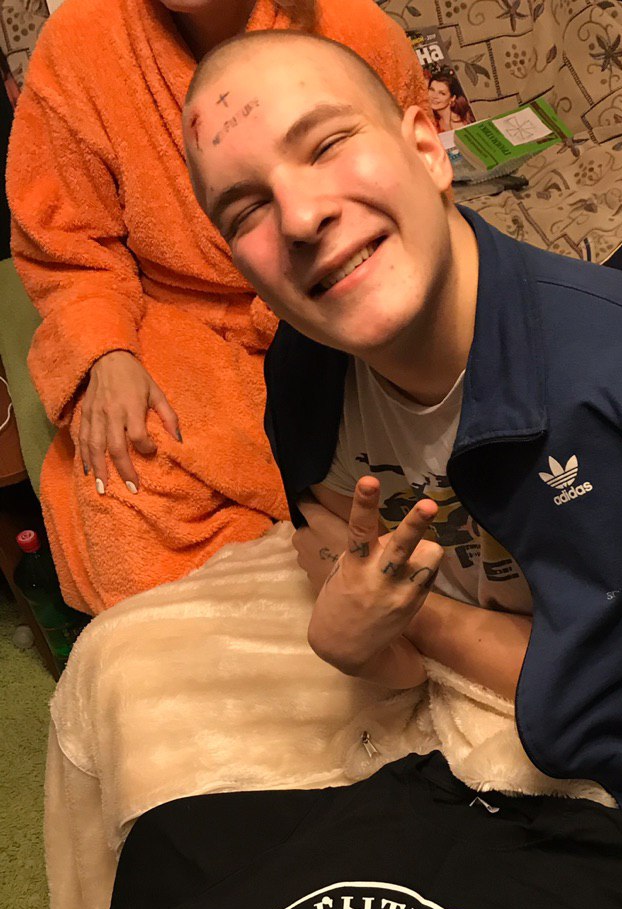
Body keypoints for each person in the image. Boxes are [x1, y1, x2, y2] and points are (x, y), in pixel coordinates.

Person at [183, 31, 622, 900]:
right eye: (245, 210)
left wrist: (418, 624)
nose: (297, 218)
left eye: (326, 145)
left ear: (428, 149)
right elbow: (319, 536)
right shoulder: (301, 370)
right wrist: (347, 629)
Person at [7, 0, 426, 614]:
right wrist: (105, 350)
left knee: (417, 493)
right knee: (123, 473)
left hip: (336, 300)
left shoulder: (356, 32)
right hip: (181, 324)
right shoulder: (80, 43)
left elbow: (413, 203)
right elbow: (68, 242)